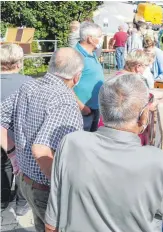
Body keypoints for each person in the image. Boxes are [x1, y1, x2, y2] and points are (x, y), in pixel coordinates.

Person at [44, 73, 163, 232]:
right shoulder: (159, 164)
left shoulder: (71, 143)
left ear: (103, 113)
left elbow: (51, 224)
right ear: (144, 116)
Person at [1, 47, 84, 232]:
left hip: (26, 180)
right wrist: (60, 185)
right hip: (46, 188)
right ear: (77, 77)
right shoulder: (64, 100)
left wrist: (14, 154)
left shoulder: (28, 85)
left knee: (40, 225)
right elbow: (40, 150)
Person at [0, 44, 31, 215]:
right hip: (20, 136)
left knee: (2, 166)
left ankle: (3, 200)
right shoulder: (29, 84)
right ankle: (21, 204)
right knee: (22, 168)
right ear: (19, 63)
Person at [74, 22, 105, 132]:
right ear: (90, 39)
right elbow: (65, 85)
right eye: (100, 36)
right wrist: (82, 107)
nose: (102, 39)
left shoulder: (91, 53)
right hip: (82, 111)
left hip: (94, 108)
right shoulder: (75, 55)